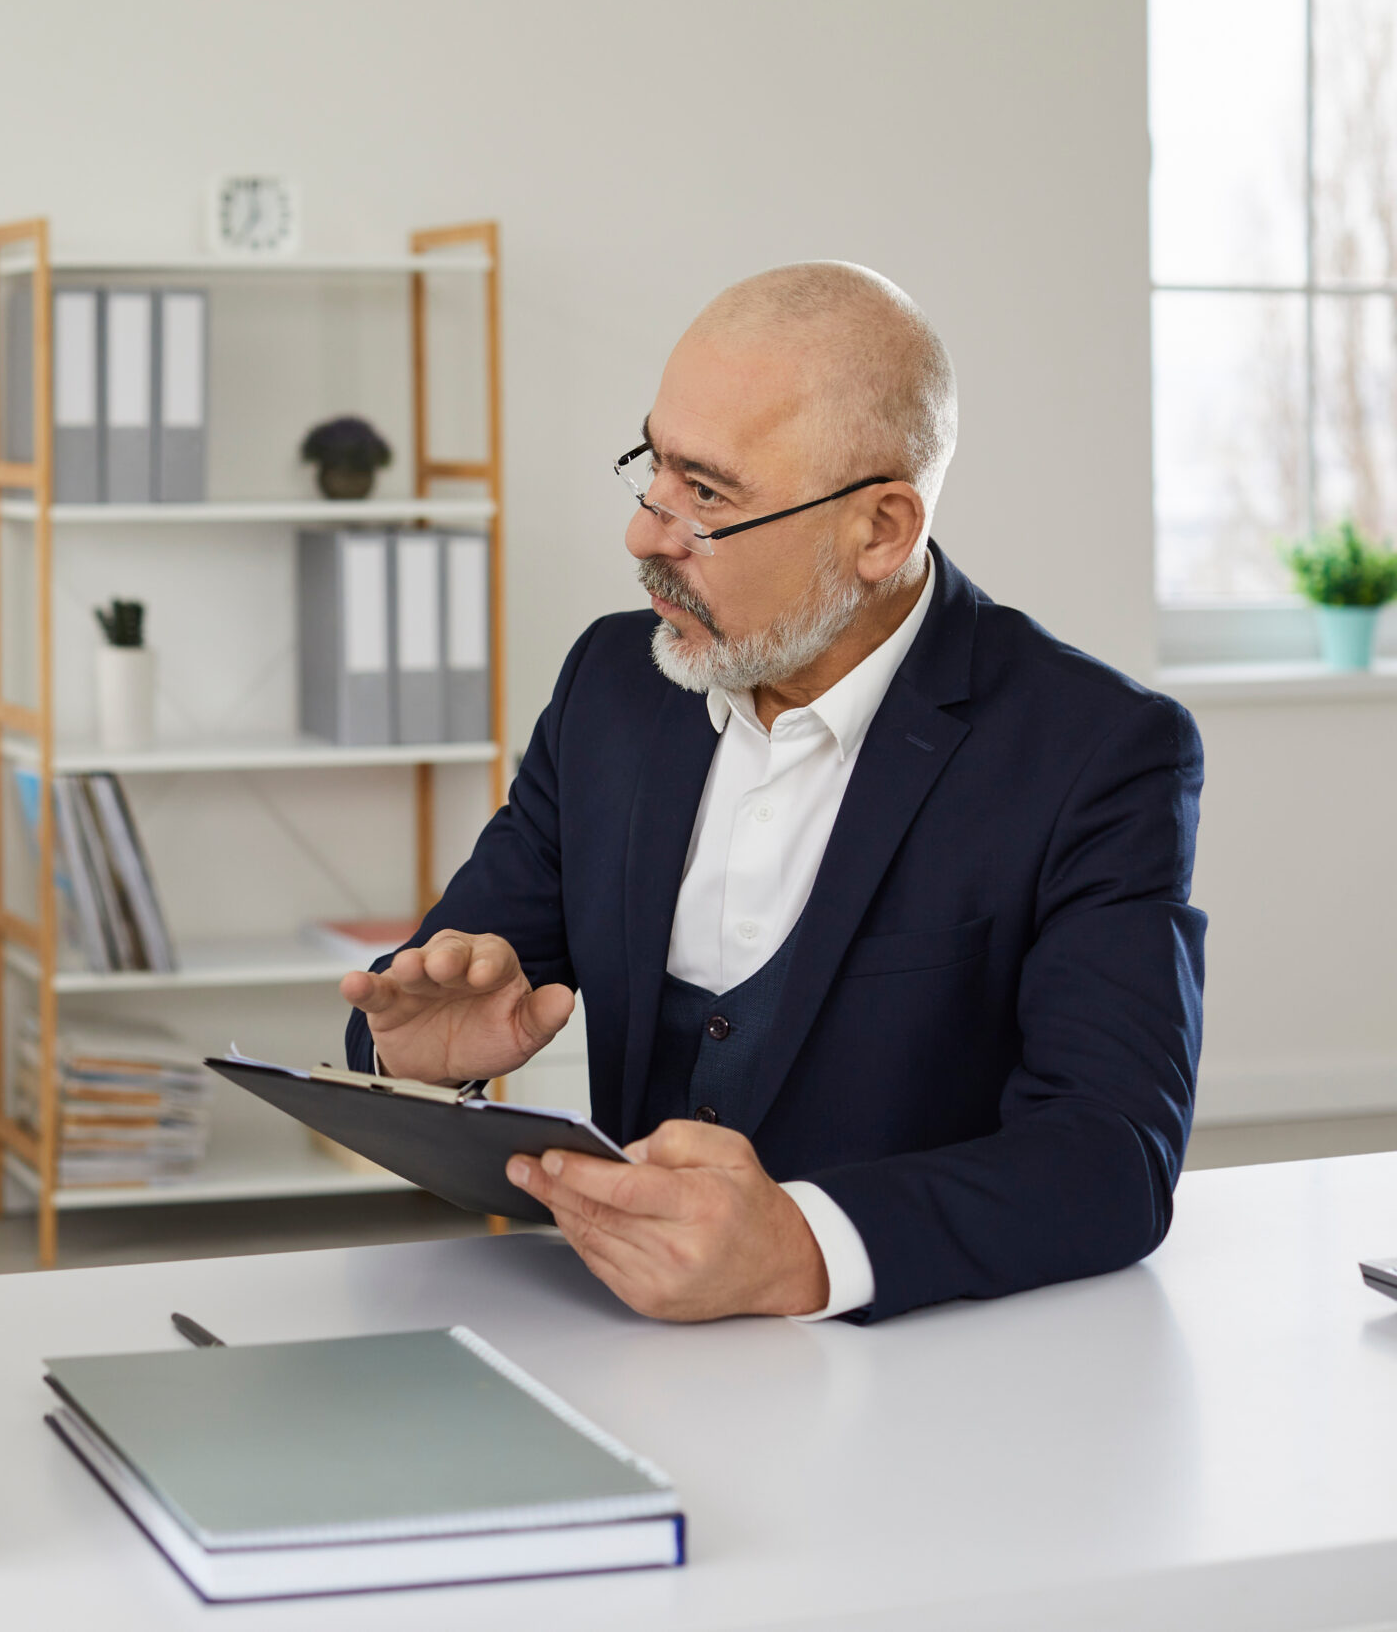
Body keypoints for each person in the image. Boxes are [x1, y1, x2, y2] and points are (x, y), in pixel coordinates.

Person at [342, 262, 1205, 1325]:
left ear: (881, 530)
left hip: (934, 1383)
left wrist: (803, 1249)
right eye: (652, 468)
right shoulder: (611, 688)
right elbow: (432, 991)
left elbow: (1111, 1156)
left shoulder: (1096, 751)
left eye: (704, 495)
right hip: (620, 1352)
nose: (645, 532)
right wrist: (409, 1060)